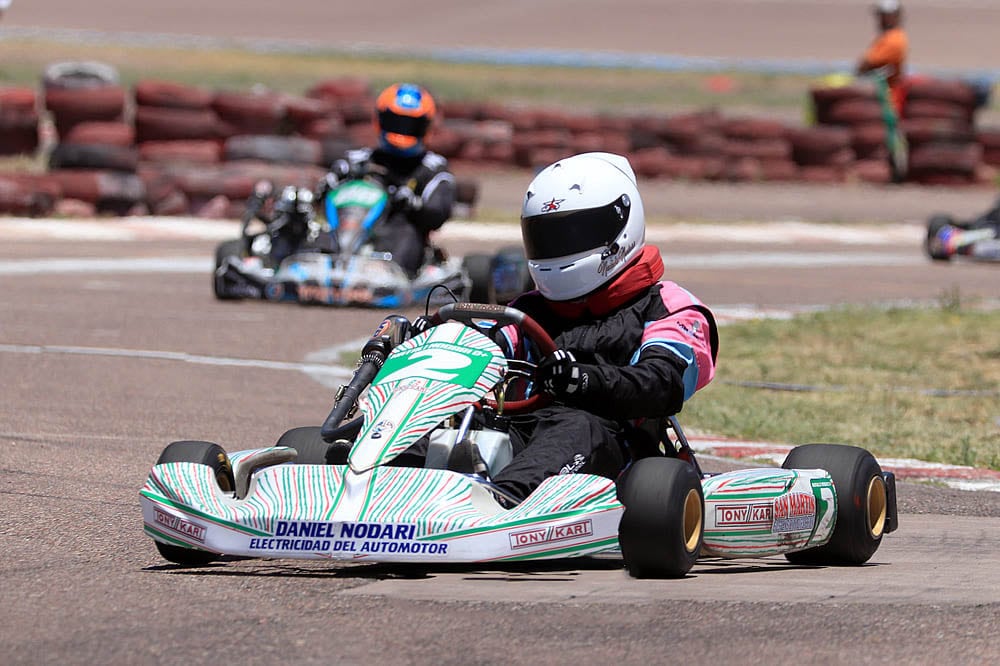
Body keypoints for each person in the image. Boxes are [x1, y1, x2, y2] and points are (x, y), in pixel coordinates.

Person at [466, 152, 718, 505]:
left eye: (571, 234)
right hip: (520, 434)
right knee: (454, 423)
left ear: (619, 225)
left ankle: (497, 504)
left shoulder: (668, 305)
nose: (557, 249)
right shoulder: (529, 309)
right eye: (547, 237)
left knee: (575, 427)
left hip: (615, 449)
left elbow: (662, 383)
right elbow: (481, 346)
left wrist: (582, 380)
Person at [321, 83, 455, 276]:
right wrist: (329, 186)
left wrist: (412, 204)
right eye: (396, 122)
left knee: (405, 229)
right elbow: (325, 197)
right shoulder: (356, 160)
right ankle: (320, 261)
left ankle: (388, 273)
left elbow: (439, 213)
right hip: (350, 226)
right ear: (380, 120)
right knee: (318, 230)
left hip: (397, 236)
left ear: (425, 126)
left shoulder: (433, 168)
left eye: (410, 125)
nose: (402, 130)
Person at [856, 0, 909, 115]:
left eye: (884, 16)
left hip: (887, 101)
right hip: (880, 99)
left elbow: (865, 64)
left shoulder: (893, 40)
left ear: (895, 16)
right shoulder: (886, 38)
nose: (880, 20)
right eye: (879, 15)